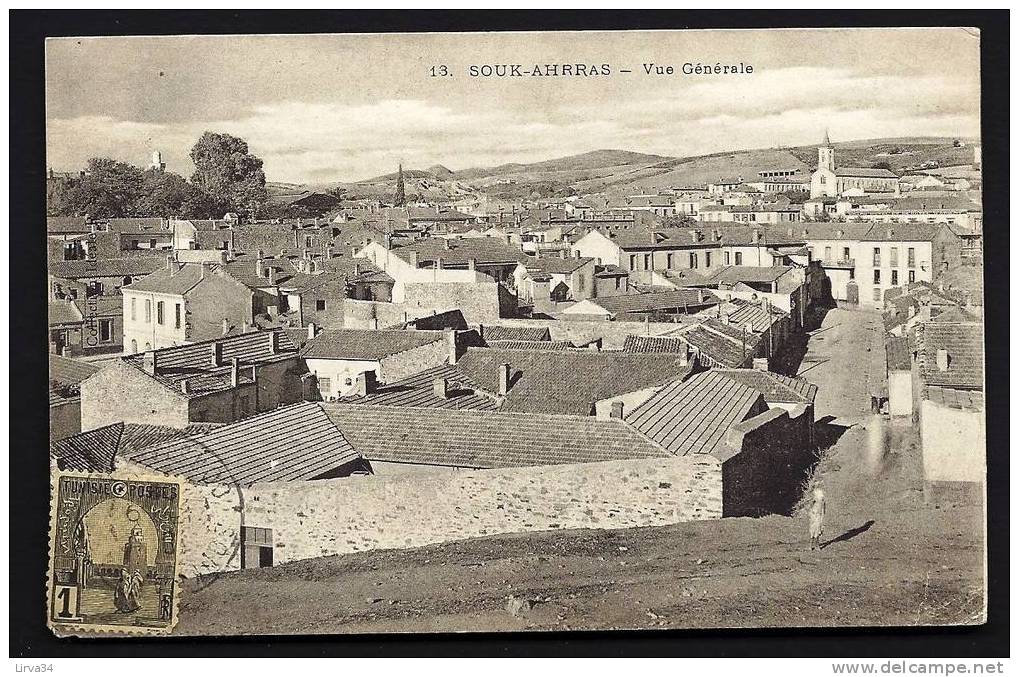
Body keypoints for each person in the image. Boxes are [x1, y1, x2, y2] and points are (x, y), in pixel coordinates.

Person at [809, 484, 826, 551]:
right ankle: (811, 545)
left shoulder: (822, 493)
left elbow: (824, 503)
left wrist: (823, 513)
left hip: (819, 513)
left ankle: (816, 545)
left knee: (818, 528)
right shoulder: (813, 493)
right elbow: (810, 503)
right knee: (813, 528)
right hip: (814, 513)